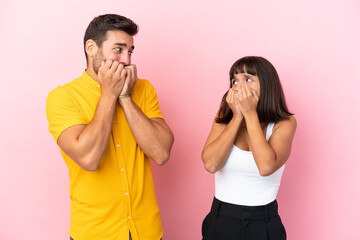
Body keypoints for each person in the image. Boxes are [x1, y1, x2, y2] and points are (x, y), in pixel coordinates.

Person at [46, 14, 174, 240]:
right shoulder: (62, 97)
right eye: (118, 49)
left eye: (131, 51)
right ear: (91, 47)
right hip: (94, 233)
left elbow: (161, 153)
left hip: (147, 231)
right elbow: (89, 158)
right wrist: (109, 93)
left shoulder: (142, 89)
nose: (126, 59)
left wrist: (125, 97)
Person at [201, 56, 296, 240]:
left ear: (267, 85)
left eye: (248, 79)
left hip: (263, 222)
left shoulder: (284, 123)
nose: (239, 86)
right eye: (234, 80)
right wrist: (237, 117)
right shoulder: (224, 116)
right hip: (220, 217)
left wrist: (250, 113)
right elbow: (210, 164)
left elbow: (266, 167)